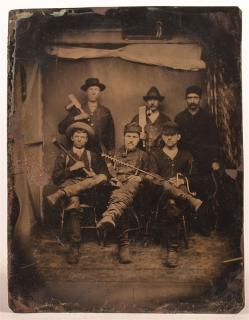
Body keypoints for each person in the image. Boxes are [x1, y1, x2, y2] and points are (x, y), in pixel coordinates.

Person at [47, 122, 109, 264]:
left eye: (83, 137)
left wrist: (95, 174)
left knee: (96, 180)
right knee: (73, 201)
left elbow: (105, 175)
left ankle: (60, 194)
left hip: (89, 192)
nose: (80, 139)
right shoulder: (64, 155)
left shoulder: (93, 155)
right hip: (71, 191)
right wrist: (71, 169)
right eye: (77, 136)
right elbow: (56, 178)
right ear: (72, 139)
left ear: (87, 140)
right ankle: (75, 247)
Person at [148, 121, 207, 268]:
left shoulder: (187, 155)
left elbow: (197, 178)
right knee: (169, 200)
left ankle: (172, 249)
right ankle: (173, 248)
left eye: (172, 135)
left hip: (181, 198)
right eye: (166, 135)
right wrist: (166, 182)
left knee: (174, 203)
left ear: (178, 137)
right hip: (161, 198)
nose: (169, 138)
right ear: (162, 137)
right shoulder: (155, 155)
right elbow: (152, 178)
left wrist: (182, 179)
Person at [97, 122, 151, 264]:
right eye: (128, 136)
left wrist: (140, 177)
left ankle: (111, 218)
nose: (131, 139)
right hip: (114, 190)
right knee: (121, 200)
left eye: (134, 136)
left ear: (139, 138)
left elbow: (151, 174)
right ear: (124, 137)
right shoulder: (113, 153)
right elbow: (105, 172)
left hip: (136, 192)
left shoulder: (144, 156)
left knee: (127, 191)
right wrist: (111, 179)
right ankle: (123, 244)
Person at [58, 78, 115, 155]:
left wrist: (111, 149)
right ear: (86, 92)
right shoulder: (77, 109)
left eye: (96, 89)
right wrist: (78, 117)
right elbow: (61, 128)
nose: (93, 92)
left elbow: (110, 133)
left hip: (100, 151)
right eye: (90, 89)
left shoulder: (105, 111)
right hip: (81, 151)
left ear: (99, 92)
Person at [175, 85, 221, 177]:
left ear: (200, 99)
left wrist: (215, 160)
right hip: (185, 160)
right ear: (186, 99)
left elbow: (214, 140)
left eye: (195, 98)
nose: (192, 101)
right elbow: (176, 141)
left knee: (204, 185)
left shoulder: (208, 117)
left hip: (204, 159)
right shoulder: (179, 118)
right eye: (189, 98)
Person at [131, 86, 171, 152]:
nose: (152, 102)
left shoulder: (166, 120)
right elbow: (130, 139)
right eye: (150, 100)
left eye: (155, 99)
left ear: (159, 102)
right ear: (146, 102)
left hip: (160, 156)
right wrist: (138, 138)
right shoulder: (138, 118)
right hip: (141, 154)